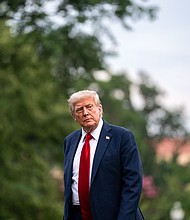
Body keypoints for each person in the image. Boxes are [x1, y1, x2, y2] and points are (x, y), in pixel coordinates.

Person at [63, 90, 144, 220]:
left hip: (114, 215)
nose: (85, 113)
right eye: (79, 110)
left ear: (99, 109)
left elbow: (133, 183)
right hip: (77, 215)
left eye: (89, 107)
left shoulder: (122, 137)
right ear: (74, 116)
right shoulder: (70, 141)